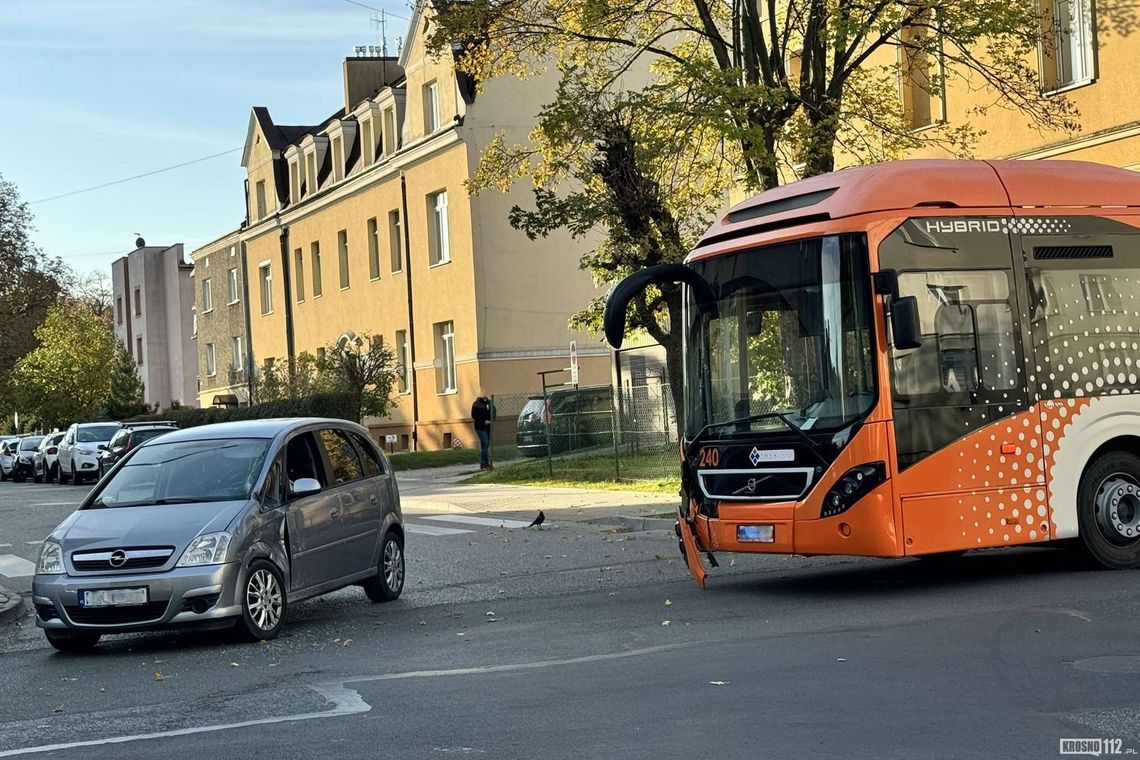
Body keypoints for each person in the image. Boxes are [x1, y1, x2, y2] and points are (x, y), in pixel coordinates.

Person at [471, 392, 493, 470]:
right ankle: (485, 463)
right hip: (480, 427)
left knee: (485, 445)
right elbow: (474, 415)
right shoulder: (476, 404)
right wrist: (484, 421)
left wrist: (491, 420)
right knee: (485, 443)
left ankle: (483, 464)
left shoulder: (489, 403)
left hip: (487, 427)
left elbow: (493, 412)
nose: (484, 395)